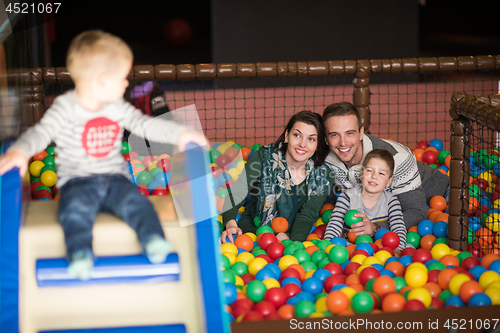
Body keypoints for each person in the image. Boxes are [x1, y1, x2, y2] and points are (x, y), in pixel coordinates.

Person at [0, 30, 207, 280]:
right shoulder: (65, 108)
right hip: (78, 181)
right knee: (74, 212)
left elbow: (144, 124)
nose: (126, 84)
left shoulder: (116, 107)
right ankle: (80, 254)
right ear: (101, 80)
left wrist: (181, 133)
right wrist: (19, 151)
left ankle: (153, 239)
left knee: (138, 203)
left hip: (114, 178)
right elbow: (40, 133)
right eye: (122, 78)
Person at [323, 102, 449, 229]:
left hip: (445, 199)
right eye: (334, 135)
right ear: (326, 139)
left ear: (361, 133)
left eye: (350, 133)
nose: (343, 142)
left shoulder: (398, 158)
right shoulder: (325, 158)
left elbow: (417, 213)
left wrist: (375, 227)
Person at [220, 111, 335, 243]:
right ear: (287, 136)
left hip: (294, 232)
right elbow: (237, 192)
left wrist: (292, 243)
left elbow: (307, 215)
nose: (303, 144)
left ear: (318, 144)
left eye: (311, 139)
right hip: (255, 228)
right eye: (297, 135)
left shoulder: (323, 175)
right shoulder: (263, 157)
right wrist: (230, 224)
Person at [324, 149, 407, 255]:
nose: (374, 176)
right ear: (362, 174)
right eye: (369, 170)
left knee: (408, 248)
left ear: (388, 182)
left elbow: (399, 228)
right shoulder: (347, 197)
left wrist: (397, 250)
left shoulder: (391, 201)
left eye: (381, 173)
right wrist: (328, 246)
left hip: (380, 248)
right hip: (351, 247)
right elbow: (335, 223)